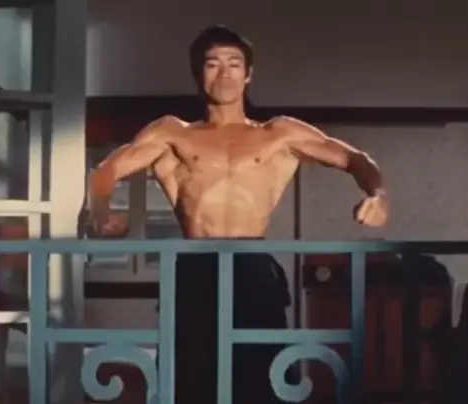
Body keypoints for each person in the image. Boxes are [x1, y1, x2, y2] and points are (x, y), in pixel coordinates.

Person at [87, 25, 388, 404]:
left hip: (252, 266)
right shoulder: (173, 134)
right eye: (212, 64)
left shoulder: (278, 134)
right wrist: (100, 210)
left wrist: (378, 195)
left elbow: (354, 159)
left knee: (262, 377)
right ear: (199, 74)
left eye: (234, 64)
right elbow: (105, 172)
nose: (224, 73)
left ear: (248, 74)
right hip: (196, 266)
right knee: (189, 378)